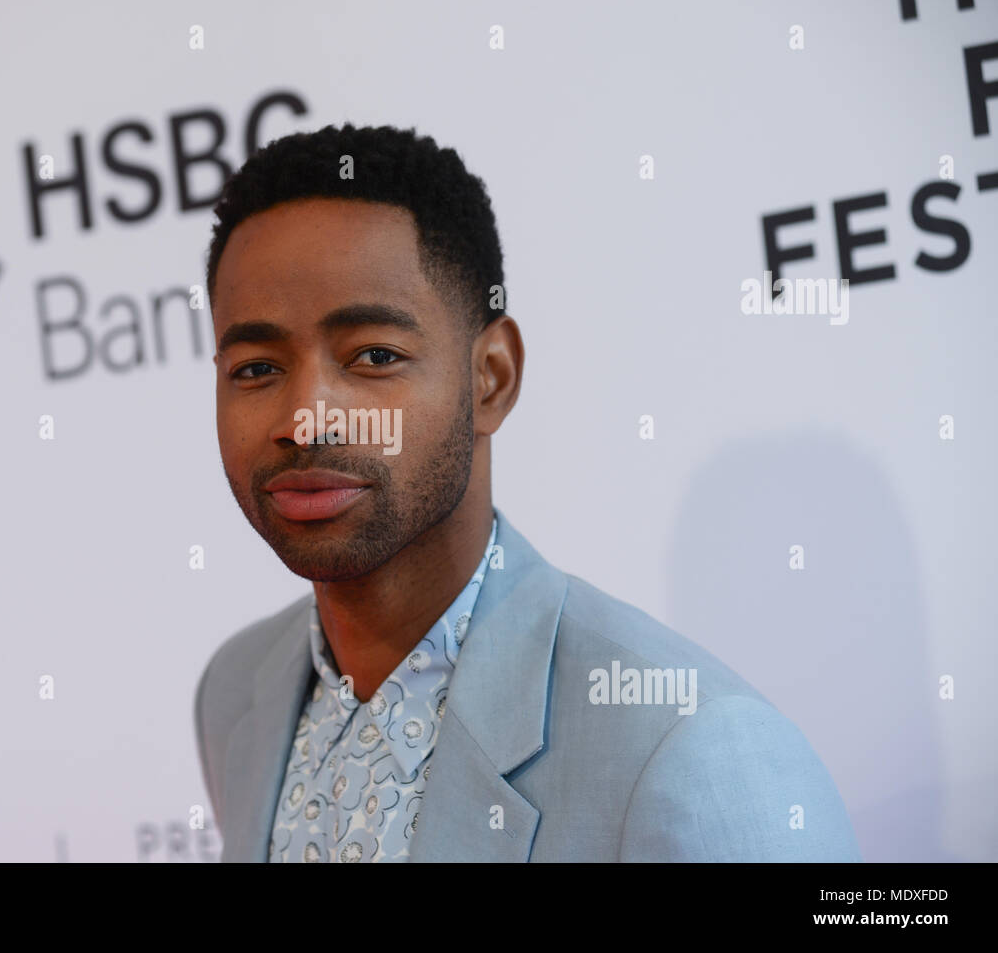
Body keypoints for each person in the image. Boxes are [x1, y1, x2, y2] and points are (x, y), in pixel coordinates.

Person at [193, 122, 860, 862]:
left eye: (373, 356)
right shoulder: (237, 693)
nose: (305, 419)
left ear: (493, 376)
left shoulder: (693, 751)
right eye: (255, 368)